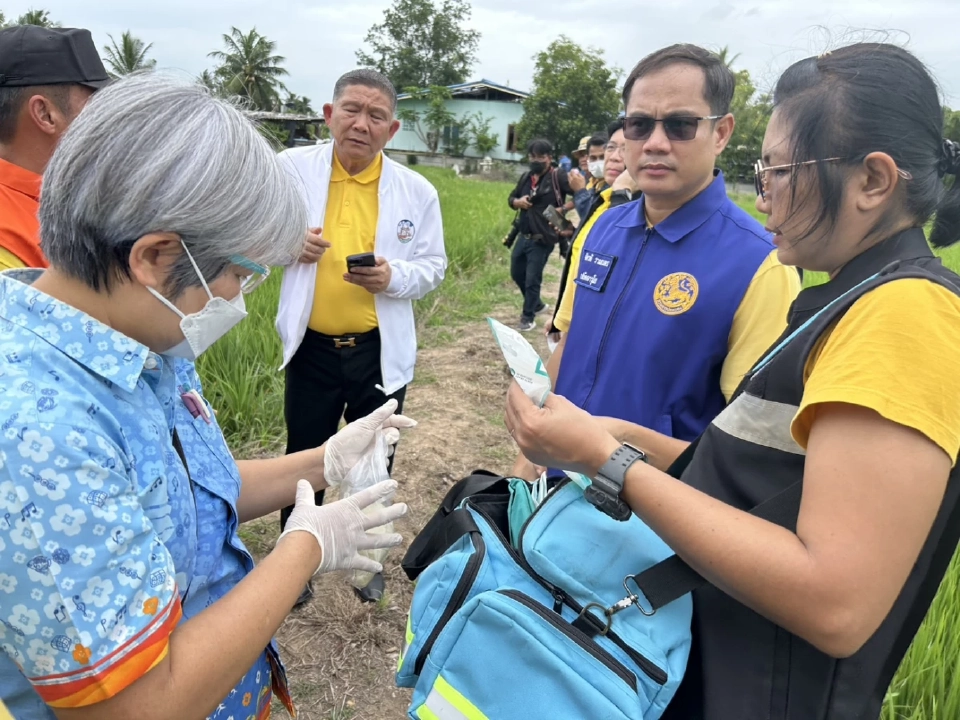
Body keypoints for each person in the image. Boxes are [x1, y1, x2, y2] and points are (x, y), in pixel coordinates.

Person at [506, 42, 960, 720]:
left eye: (781, 168)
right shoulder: (850, 298)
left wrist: (610, 461)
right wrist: (620, 437)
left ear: (873, 181)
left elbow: (835, 601)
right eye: (764, 167)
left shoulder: (906, 316)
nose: (764, 187)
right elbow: (760, 484)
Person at [0, 74, 411, 720]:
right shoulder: (33, 433)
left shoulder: (149, 335)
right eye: (240, 276)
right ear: (156, 255)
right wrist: (306, 546)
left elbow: (188, 487)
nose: (239, 302)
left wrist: (320, 462)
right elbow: (139, 706)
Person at [513, 45, 802, 478]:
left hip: (651, 519)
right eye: (639, 124)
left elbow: (749, 450)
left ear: (721, 133)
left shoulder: (762, 265)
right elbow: (569, 347)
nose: (655, 143)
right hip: (551, 494)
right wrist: (526, 461)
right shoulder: (603, 228)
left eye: (681, 125)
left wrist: (608, 448)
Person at [275, 68, 447, 605]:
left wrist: (391, 276)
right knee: (303, 457)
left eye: (376, 116)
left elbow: (434, 266)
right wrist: (285, 242)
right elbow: (247, 237)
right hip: (312, 347)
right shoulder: (288, 170)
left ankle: (366, 562)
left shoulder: (416, 191)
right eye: (351, 109)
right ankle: (292, 565)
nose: (361, 123)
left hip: (377, 352)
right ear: (329, 115)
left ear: (391, 130)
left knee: (376, 460)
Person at [0, 26, 107, 271]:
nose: (109, 120)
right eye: (96, 106)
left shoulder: (70, 201)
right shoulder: (8, 239)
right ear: (45, 114)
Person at [507, 138, 574, 331]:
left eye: (540, 157)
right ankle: (536, 304)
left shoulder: (558, 176)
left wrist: (562, 209)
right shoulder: (526, 177)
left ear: (549, 158)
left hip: (544, 236)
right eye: (532, 156)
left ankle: (527, 317)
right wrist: (517, 202)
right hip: (524, 234)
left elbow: (581, 194)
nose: (536, 160)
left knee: (532, 279)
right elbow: (511, 198)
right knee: (516, 272)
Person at [569, 133, 609, 222]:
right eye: (593, 158)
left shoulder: (614, 184)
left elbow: (594, 218)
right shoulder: (591, 182)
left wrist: (580, 192)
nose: (583, 159)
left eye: (602, 157)